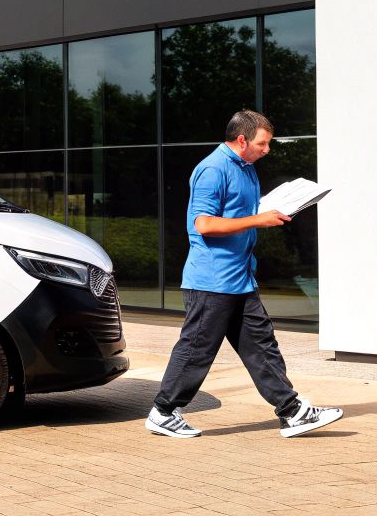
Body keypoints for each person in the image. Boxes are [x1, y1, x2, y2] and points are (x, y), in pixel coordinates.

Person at [145, 109, 342, 438]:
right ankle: (163, 412)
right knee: (197, 349)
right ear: (241, 140)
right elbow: (203, 224)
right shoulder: (213, 169)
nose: (267, 149)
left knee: (262, 346)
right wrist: (257, 220)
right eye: (263, 144)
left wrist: (268, 210)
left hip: (240, 278)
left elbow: (240, 212)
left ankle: (292, 412)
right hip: (212, 280)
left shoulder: (246, 169)